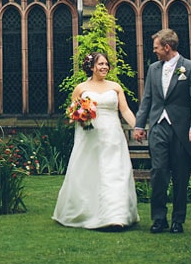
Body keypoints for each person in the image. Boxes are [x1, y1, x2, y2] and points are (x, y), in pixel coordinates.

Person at [53, 52, 140, 230]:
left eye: (106, 64)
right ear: (91, 67)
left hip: (112, 137)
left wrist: (137, 127)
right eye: (100, 64)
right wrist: (79, 115)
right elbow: (71, 114)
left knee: (114, 174)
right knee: (88, 174)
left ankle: (116, 216)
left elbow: (125, 111)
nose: (104, 67)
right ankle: (88, 213)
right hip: (89, 137)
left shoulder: (115, 87)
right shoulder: (80, 88)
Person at [133, 29, 191, 234]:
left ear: (167, 47)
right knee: (158, 173)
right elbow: (147, 98)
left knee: (181, 176)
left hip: (182, 130)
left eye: (156, 47)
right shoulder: (153, 69)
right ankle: (158, 219)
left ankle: (178, 220)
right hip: (158, 127)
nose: (154, 51)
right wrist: (140, 125)